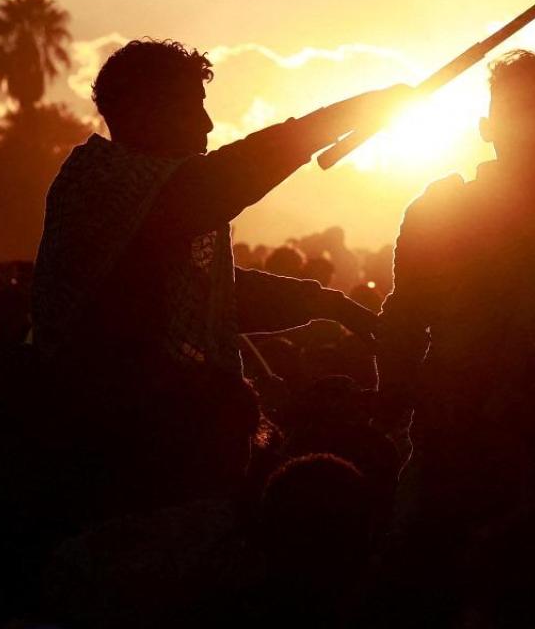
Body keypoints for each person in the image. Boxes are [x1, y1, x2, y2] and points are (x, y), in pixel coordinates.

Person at [30, 38, 407, 512]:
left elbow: (214, 298)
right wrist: (348, 113)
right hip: (116, 449)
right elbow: (225, 181)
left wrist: (325, 304)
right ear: (144, 111)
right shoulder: (103, 183)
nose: (207, 125)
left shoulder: (149, 193)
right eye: (192, 108)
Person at [376, 50, 535, 545]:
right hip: (462, 429)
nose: (532, 130)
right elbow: (403, 319)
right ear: (486, 127)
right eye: (523, 114)